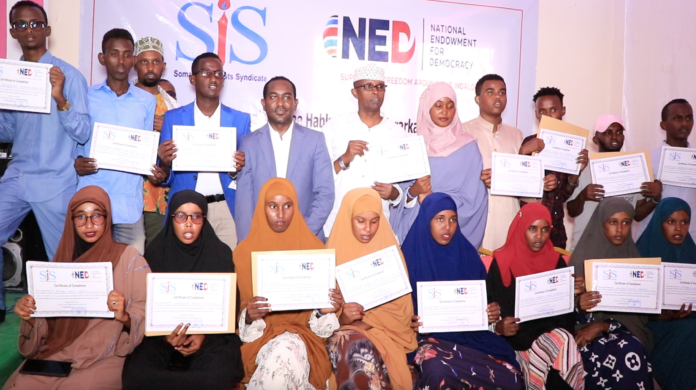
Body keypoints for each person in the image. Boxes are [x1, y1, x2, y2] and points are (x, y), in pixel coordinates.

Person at [4, 186, 149, 389]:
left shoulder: (129, 258)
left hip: (104, 354)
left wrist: (124, 315)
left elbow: (145, 308)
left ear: (107, 218)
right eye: (81, 217)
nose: (89, 224)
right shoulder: (62, 260)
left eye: (97, 215)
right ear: (71, 221)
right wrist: (31, 316)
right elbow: (50, 321)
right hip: (58, 351)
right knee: (22, 385)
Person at [0, 0, 91, 322]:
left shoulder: (69, 75)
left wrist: (60, 97)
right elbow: (9, 131)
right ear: (13, 31)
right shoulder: (10, 77)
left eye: (35, 23)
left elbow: (83, 132)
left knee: (63, 259)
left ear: (47, 30)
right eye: (21, 24)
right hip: (19, 175)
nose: (29, 29)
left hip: (56, 180)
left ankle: (68, 324)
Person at [122, 190, 244, 390]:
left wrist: (203, 336)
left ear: (204, 219)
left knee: (217, 375)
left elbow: (231, 307)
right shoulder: (155, 253)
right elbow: (147, 307)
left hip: (211, 337)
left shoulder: (220, 253)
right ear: (171, 219)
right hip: (161, 337)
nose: (188, 223)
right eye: (181, 216)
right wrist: (165, 336)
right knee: (136, 374)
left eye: (196, 216)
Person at [403, 193, 523, 389]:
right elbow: (398, 310)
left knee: (512, 376)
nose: (447, 226)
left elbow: (486, 302)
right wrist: (408, 321)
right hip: (429, 339)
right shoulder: (409, 257)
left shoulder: (467, 255)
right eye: (439, 219)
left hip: (472, 337)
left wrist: (491, 313)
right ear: (427, 220)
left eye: (453, 220)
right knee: (437, 370)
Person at [234, 178, 339, 389]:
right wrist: (249, 316)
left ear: (296, 207)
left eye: (287, 206)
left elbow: (323, 324)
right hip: (259, 340)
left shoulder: (316, 251)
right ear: (262, 208)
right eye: (273, 206)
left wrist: (323, 311)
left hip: (305, 338)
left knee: (285, 353)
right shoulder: (243, 254)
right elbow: (234, 317)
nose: (280, 214)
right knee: (282, 356)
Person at [74, 28, 156, 254]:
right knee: (92, 272)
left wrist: (154, 167)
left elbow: (146, 149)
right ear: (102, 58)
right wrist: (75, 161)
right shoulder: (85, 96)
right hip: (91, 201)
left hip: (128, 205)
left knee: (131, 271)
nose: (121, 60)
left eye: (127, 54)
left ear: (134, 60)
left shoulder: (146, 101)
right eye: (114, 53)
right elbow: (72, 140)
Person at [325, 188, 417, 390]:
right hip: (348, 332)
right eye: (360, 221)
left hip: (390, 335)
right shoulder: (330, 257)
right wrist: (345, 320)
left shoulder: (391, 253)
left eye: (374, 221)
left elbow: (404, 312)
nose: (368, 229)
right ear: (348, 218)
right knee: (352, 344)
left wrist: (373, 325)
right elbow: (322, 319)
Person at [158, 52, 250, 250]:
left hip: (226, 208)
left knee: (229, 272)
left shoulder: (241, 120)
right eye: (206, 72)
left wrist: (236, 170)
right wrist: (164, 162)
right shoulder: (173, 118)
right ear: (192, 78)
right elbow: (164, 176)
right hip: (186, 210)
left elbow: (247, 175)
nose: (213, 78)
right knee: (186, 272)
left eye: (218, 73)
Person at [487, 203, 584, 390]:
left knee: (562, 341)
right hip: (517, 342)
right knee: (563, 344)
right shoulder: (501, 263)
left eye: (545, 230)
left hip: (552, 337)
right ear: (522, 227)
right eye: (532, 229)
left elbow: (565, 315)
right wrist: (498, 326)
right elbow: (492, 311)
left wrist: (573, 294)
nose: (539, 236)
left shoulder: (555, 260)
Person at [463, 74, 557, 251]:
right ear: (477, 99)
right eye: (490, 92)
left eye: (502, 92)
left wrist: (541, 185)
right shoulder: (463, 132)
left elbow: (523, 186)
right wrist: (479, 179)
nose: (497, 96)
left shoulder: (516, 134)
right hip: (476, 221)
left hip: (510, 220)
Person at [569, 198, 654, 390]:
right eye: (613, 222)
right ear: (601, 224)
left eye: (626, 222)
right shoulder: (580, 259)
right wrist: (579, 305)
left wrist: (602, 326)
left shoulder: (634, 259)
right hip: (584, 333)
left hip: (623, 332)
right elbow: (563, 315)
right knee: (592, 354)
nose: (620, 229)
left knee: (631, 350)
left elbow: (640, 316)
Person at [236, 77, 334, 241]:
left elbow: (325, 193)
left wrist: (303, 233)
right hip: (261, 239)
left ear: (295, 103)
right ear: (263, 102)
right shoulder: (249, 143)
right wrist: (247, 243)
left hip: (306, 238)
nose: (280, 103)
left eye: (287, 97)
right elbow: (244, 202)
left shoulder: (315, 140)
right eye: (273, 97)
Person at [391, 82, 488, 248]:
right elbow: (400, 196)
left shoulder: (468, 147)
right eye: (438, 105)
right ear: (427, 108)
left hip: (450, 229)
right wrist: (413, 192)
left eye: (450, 106)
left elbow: (475, 198)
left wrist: (434, 201)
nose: (445, 112)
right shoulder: (412, 146)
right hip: (416, 229)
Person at [322, 63, 407, 238]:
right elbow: (318, 179)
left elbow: (403, 190)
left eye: (380, 87)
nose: (375, 91)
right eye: (368, 86)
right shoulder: (335, 127)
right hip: (338, 224)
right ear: (355, 92)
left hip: (378, 227)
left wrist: (394, 193)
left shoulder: (398, 133)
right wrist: (344, 159)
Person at [636, 197, 695, 390]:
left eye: (684, 222)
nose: (678, 229)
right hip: (653, 329)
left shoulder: (691, 253)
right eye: (671, 222)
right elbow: (633, 310)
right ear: (659, 222)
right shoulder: (642, 255)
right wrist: (666, 315)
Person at [518, 87, 588, 249]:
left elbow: (563, 195)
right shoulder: (528, 144)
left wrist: (577, 171)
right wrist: (522, 154)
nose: (548, 116)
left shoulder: (573, 145)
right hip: (529, 232)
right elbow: (517, 189)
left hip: (556, 231)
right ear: (536, 114)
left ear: (563, 111)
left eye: (553, 110)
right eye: (542, 111)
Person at [567, 114, 647, 250]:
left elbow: (637, 215)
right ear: (595, 139)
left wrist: (655, 199)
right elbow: (571, 211)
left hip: (619, 251)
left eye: (619, 132)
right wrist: (583, 196)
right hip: (586, 248)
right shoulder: (582, 166)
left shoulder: (633, 169)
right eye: (607, 132)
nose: (614, 137)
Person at [132, 36, 180, 246]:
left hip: (159, 195)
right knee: (126, 257)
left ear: (164, 66)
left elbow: (186, 151)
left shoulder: (174, 108)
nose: (150, 67)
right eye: (144, 61)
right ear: (135, 63)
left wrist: (166, 129)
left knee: (156, 253)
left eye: (155, 61)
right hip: (127, 191)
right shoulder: (123, 98)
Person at [636, 99, 696, 237]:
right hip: (653, 241)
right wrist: (655, 197)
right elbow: (637, 214)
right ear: (663, 125)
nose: (684, 123)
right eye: (677, 118)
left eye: (689, 118)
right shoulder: (648, 160)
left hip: (690, 242)